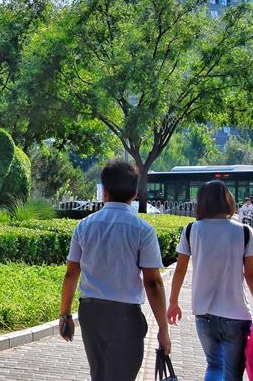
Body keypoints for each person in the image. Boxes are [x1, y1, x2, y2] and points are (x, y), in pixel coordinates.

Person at [58, 159, 171, 381]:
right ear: (134, 194)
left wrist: (65, 315)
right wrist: (163, 328)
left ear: (105, 191)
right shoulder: (143, 230)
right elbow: (153, 283)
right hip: (125, 316)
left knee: (98, 375)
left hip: (90, 313)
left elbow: (71, 273)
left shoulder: (84, 225)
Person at [167, 181, 253, 381]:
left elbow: (180, 270)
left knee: (214, 365)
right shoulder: (244, 231)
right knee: (232, 373)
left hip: (204, 313)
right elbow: (251, 275)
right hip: (236, 314)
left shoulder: (191, 230)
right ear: (228, 200)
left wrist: (173, 302)